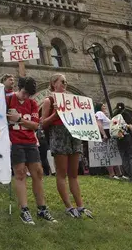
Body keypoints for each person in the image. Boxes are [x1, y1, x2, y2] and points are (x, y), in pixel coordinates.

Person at [41, 74, 93, 219]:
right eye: (62, 81)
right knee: (61, 173)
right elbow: (43, 123)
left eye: (66, 82)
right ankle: (69, 207)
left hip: (73, 135)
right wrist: (55, 114)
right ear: (54, 83)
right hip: (59, 136)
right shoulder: (49, 100)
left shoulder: (72, 100)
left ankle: (80, 206)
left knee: (74, 174)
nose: (65, 84)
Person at [6, 77, 56, 224]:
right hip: (15, 142)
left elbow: (35, 125)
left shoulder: (33, 103)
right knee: (20, 173)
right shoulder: (8, 99)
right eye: (24, 93)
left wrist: (19, 119)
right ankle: (24, 210)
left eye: (29, 94)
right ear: (19, 88)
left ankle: (42, 209)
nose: (26, 96)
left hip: (31, 142)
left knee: (38, 173)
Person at [112, 102, 132, 183]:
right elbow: (130, 126)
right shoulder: (125, 113)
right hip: (128, 138)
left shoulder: (114, 115)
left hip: (119, 139)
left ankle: (130, 176)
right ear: (124, 107)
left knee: (124, 158)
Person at [94, 102, 123, 179]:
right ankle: (112, 174)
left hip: (109, 133)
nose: (104, 106)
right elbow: (99, 124)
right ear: (99, 107)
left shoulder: (103, 114)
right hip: (106, 133)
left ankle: (119, 173)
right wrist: (104, 134)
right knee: (107, 154)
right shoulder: (99, 113)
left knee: (113, 153)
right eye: (103, 106)